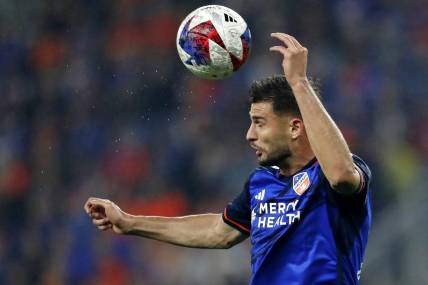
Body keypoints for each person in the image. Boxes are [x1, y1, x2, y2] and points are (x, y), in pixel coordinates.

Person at [84, 33, 372, 284]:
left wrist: (299, 83)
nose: (249, 135)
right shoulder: (261, 183)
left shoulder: (335, 177)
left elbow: (341, 174)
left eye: (259, 122)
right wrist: (130, 222)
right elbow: (219, 231)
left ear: (295, 127)